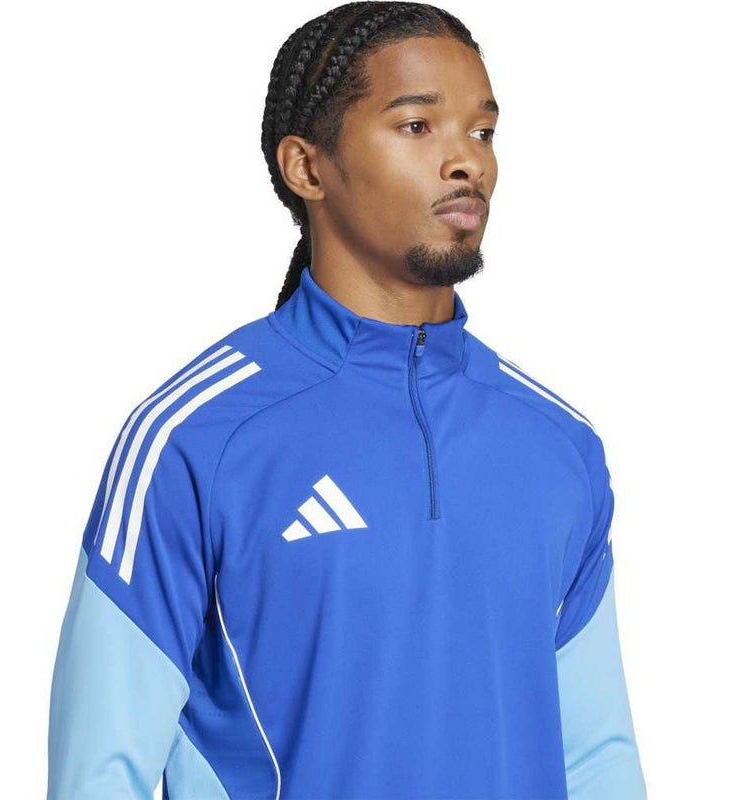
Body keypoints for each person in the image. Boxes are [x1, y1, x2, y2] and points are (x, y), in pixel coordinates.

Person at [47, 3, 647, 798]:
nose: (466, 161)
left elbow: (597, 758)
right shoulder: (197, 437)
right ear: (307, 167)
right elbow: (100, 771)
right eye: (416, 126)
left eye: (482, 131)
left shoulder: (556, 444)